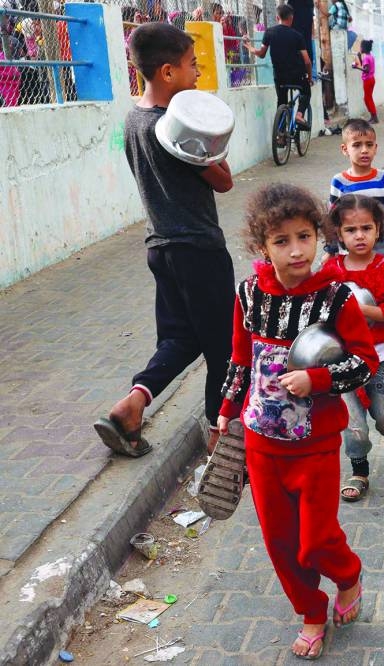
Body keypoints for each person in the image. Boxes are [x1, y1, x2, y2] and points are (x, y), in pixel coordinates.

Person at [217, 183, 375, 659]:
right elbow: (239, 359)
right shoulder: (249, 294)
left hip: (318, 445)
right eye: (281, 241)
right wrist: (225, 412)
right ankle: (310, 610)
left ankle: (348, 575)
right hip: (264, 446)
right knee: (282, 545)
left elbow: (365, 362)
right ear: (261, 247)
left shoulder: (336, 299)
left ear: (320, 236)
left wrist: (318, 379)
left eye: (304, 236)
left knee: (316, 541)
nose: (296, 250)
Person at [94, 22, 235, 458]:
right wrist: (210, 144)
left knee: (180, 339)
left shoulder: (135, 120)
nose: (197, 74)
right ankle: (221, 442)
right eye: (192, 66)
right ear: (168, 72)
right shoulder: (173, 128)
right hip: (199, 249)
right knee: (224, 350)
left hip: (161, 248)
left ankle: (130, 408)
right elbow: (224, 181)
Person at [323, 195, 384, 503]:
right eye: (351, 230)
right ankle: (359, 470)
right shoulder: (331, 270)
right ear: (338, 234)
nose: (359, 235)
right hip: (342, 359)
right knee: (353, 423)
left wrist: (363, 312)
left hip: (381, 357)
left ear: (379, 230)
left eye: (367, 228)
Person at [324, 118, 384, 261]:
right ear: (345, 149)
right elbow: (332, 221)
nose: (364, 150)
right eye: (357, 145)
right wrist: (330, 251)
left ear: (375, 148)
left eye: (369, 145)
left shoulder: (383, 179)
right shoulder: (339, 182)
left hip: (380, 255)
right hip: (349, 257)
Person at [244, 4, 311, 130]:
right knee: (306, 92)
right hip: (297, 76)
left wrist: (250, 48)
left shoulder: (269, 33)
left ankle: (280, 135)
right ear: (291, 18)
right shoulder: (298, 36)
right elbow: (307, 61)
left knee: (281, 101)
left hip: (279, 76)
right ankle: (299, 115)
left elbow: (262, 54)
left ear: (277, 17)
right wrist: (309, 77)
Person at [352, 39, 378, 124]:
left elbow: (366, 70)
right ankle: (373, 117)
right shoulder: (370, 56)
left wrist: (356, 67)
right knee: (368, 98)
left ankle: (374, 117)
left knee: (368, 99)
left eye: (361, 47)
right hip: (371, 79)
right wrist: (359, 57)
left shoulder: (366, 57)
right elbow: (364, 65)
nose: (360, 48)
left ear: (364, 48)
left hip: (367, 80)